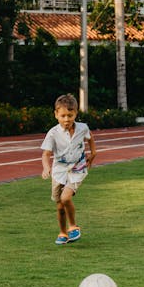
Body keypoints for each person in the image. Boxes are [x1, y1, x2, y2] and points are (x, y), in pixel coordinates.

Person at [40, 94, 97, 245]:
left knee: (66, 198)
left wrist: (94, 154)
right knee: (59, 206)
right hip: (59, 171)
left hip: (78, 168)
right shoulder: (53, 133)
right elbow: (46, 154)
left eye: (70, 115)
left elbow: (90, 137)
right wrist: (46, 168)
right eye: (63, 116)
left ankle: (73, 226)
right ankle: (63, 232)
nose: (66, 119)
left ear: (76, 114)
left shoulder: (82, 128)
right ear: (56, 115)